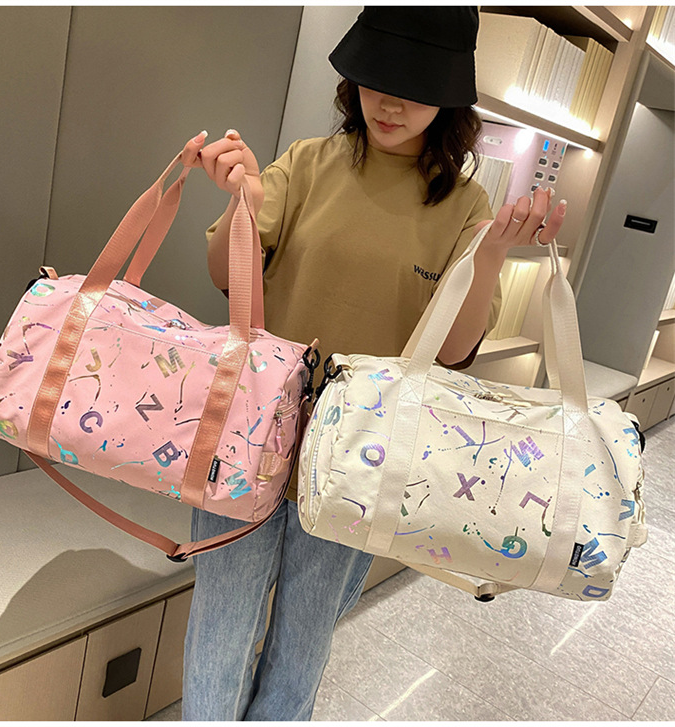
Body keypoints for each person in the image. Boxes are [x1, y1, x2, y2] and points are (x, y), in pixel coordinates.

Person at [178, 7, 566, 721]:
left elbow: (453, 351)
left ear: (448, 99)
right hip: (250, 430)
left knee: (303, 639)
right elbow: (227, 277)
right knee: (221, 624)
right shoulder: (306, 162)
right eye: (375, 80)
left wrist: (490, 257)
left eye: (414, 90)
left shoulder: (466, 204)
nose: (389, 104)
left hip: (364, 456)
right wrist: (243, 202)